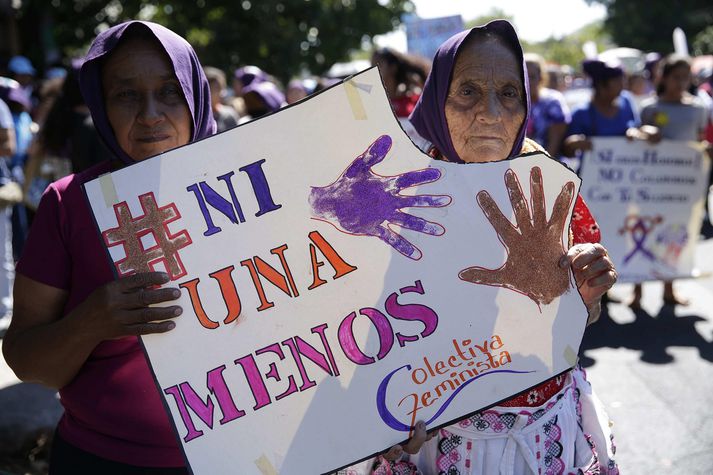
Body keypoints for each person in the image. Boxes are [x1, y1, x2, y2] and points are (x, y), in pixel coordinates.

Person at [368, 21, 619, 474]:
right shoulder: (397, 199)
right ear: (436, 101)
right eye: (467, 91)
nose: (491, 113)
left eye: (509, 92)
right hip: (437, 445)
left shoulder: (546, 183)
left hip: (545, 435)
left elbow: (585, 318)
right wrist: (378, 423)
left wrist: (578, 295)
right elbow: (358, 338)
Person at [2, 20, 216, 473]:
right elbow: (26, 361)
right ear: (100, 105)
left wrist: (373, 423)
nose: (151, 113)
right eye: (126, 95)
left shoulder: (267, 188)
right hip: (104, 460)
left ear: (195, 94)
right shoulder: (68, 204)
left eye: (170, 91)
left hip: (253, 457)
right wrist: (90, 322)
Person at [633, 54, 711, 308]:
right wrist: (644, 133)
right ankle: (637, 290)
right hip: (651, 186)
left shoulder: (698, 109)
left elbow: (700, 141)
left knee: (673, 236)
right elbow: (632, 141)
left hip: (681, 189)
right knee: (643, 234)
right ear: (664, 78)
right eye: (676, 77)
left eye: (685, 77)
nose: (681, 82)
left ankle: (669, 288)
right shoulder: (649, 109)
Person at [562, 58, 659, 162]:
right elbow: (567, 151)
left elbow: (636, 128)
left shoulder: (626, 101)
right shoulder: (581, 113)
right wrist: (573, 144)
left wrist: (639, 132)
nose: (623, 85)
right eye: (618, 81)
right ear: (601, 85)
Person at [524, 53, 571, 158]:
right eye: (523, 75)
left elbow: (555, 140)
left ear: (541, 78)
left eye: (532, 76)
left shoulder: (552, 101)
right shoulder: (513, 102)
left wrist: (544, 166)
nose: (527, 81)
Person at [204, 66, 240, 132]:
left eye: (223, 88)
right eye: (217, 89)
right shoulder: (198, 119)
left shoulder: (229, 115)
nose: (222, 93)